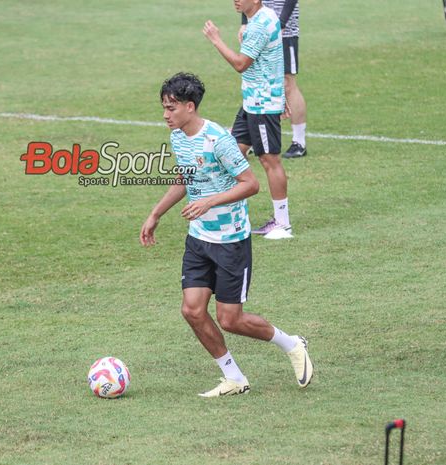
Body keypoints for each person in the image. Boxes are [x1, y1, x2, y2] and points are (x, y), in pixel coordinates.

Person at [140, 72, 313, 397]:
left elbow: (251, 184)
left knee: (231, 319)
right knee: (192, 310)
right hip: (198, 239)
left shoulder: (218, 140)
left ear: (190, 107)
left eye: (171, 108)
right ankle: (233, 377)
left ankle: (291, 343)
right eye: (164, 107)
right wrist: (155, 214)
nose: (166, 114)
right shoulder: (179, 136)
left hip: (230, 241)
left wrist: (208, 201)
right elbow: (184, 178)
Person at [203, 0, 293, 240]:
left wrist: (216, 39)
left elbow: (241, 64)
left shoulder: (260, 24)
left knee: (269, 160)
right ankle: (231, 214)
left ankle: (283, 223)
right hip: (253, 102)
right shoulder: (264, 17)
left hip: (262, 105)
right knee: (233, 153)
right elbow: (273, 58)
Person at [241, 0, 308, 159]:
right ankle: (253, 136)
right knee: (257, 78)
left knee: (287, 83)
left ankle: (299, 141)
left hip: (284, 31)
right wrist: (245, 22)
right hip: (257, 28)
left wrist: (282, 22)